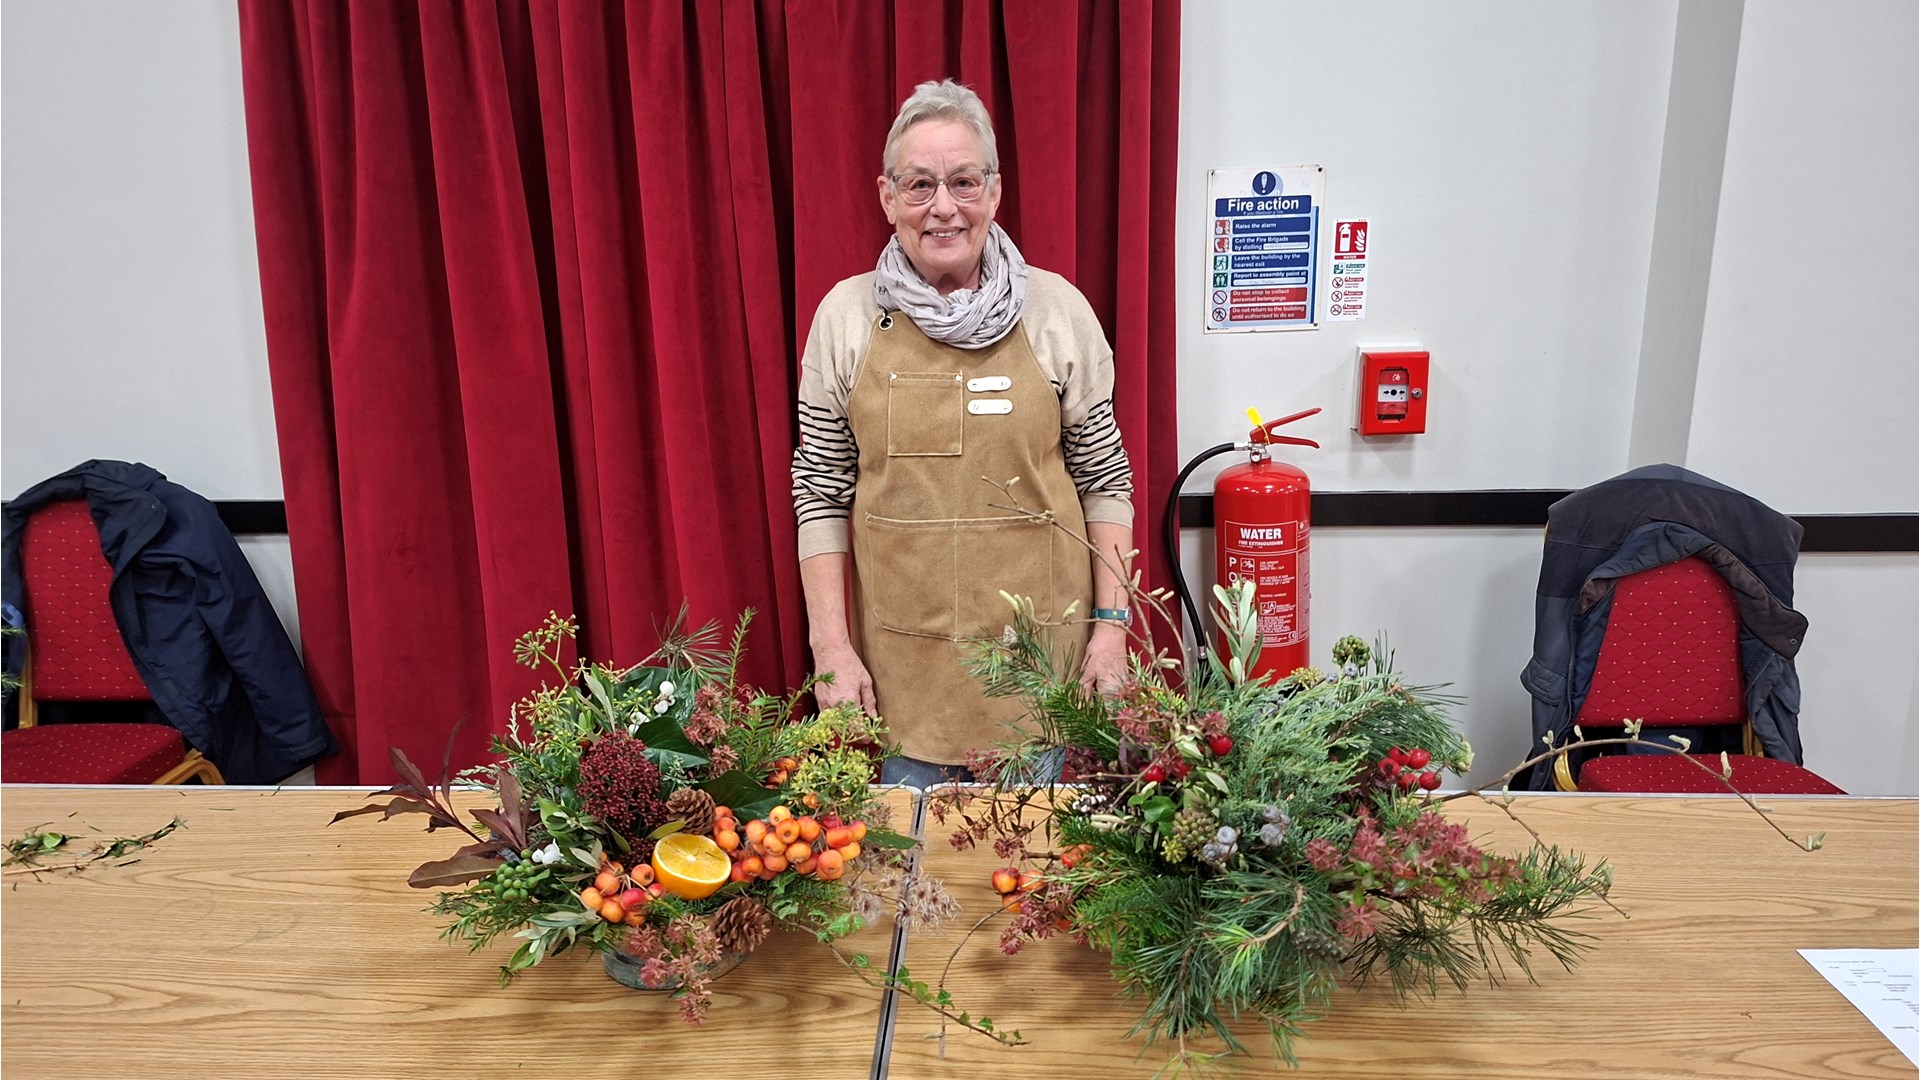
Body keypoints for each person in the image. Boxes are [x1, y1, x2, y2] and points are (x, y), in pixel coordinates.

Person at [790, 80, 1135, 787]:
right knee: (912, 892)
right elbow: (820, 493)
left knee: (1042, 887)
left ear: (994, 192)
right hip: (902, 681)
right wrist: (831, 647)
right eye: (919, 185)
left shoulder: (1058, 312)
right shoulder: (846, 319)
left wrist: (1111, 631)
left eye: (963, 181)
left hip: (1044, 680)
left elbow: (1106, 482)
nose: (942, 206)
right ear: (887, 197)